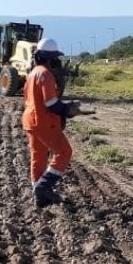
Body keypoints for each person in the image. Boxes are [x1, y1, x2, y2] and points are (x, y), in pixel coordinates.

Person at [22, 38, 80, 208]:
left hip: (30, 121)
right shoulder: (46, 74)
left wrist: (64, 109)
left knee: (38, 157)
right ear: (50, 58)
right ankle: (43, 186)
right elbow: (50, 103)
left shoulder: (32, 73)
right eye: (55, 58)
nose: (57, 62)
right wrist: (67, 109)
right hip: (43, 121)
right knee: (64, 152)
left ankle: (40, 198)